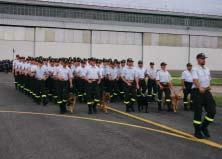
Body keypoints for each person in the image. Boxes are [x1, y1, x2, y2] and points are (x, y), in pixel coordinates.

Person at [191, 53, 216, 139]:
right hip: (197, 91)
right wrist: (199, 87)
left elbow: (209, 79)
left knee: (212, 110)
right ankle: (197, 131)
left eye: (204, 58)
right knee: (198, 112)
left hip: (206, 91)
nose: (204, 60)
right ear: (197, 59)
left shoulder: (207, 69)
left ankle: (204, 127)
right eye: (202, 58)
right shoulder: (194, 68)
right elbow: (195, 79)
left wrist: (209, 85)